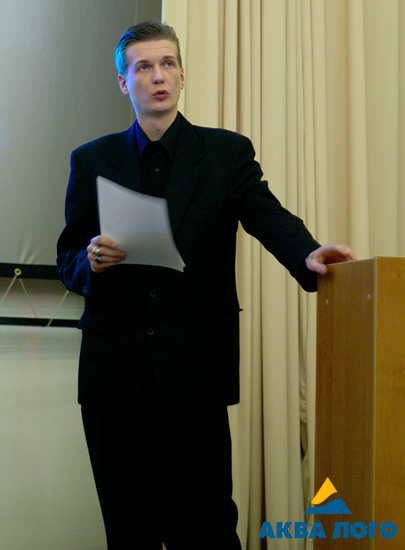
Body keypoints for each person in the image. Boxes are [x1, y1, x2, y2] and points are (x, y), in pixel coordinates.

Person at [57, 21, 356, 550]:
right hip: (114, 376)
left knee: (206, 529)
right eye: (144, 67)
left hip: (193, 373)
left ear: (182, 75)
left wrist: (306, 252)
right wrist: (91, 262)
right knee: (128, 531)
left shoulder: (225, 153)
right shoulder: (92, 160)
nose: (158, 76)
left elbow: (266, 214)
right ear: (124, 82)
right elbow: (68, 258)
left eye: (168, 63)